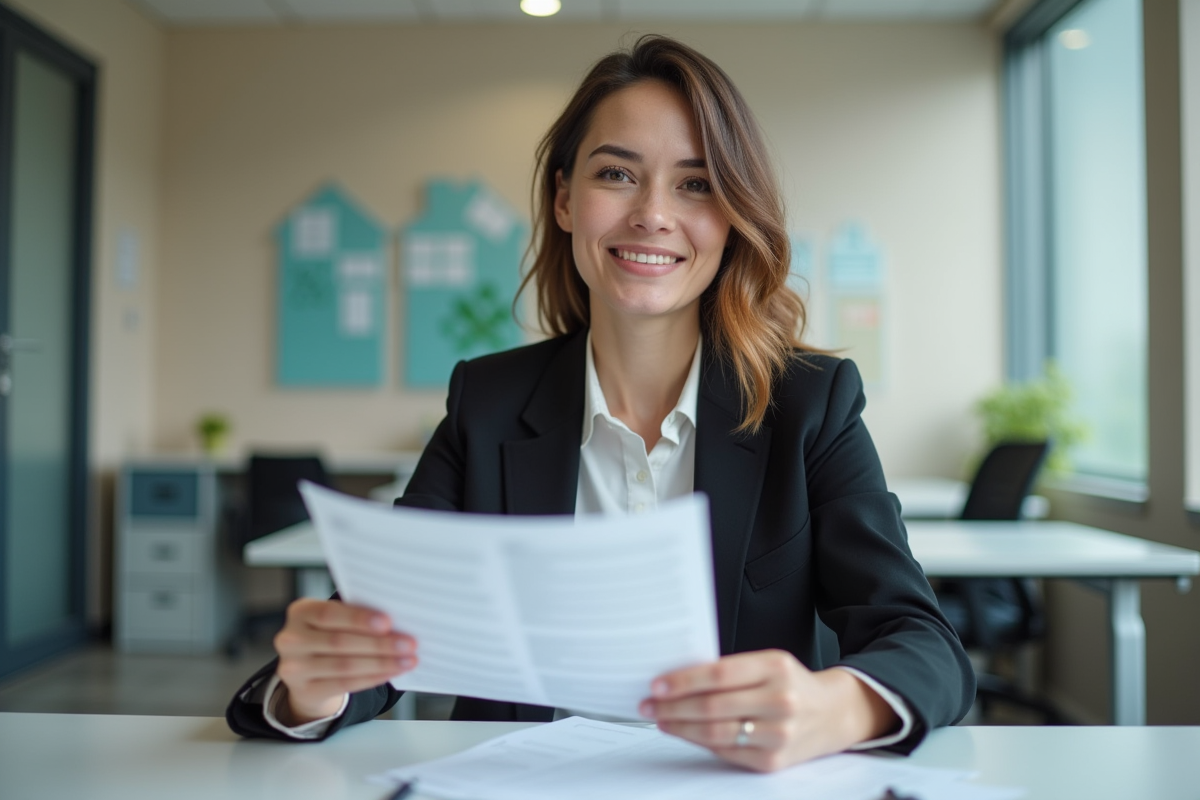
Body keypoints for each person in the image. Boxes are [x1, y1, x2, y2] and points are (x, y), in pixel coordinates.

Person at [227, 34, 974, 772]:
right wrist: (314, 688)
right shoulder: (486, 404)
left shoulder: (809, 404)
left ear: (733, 217)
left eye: (695, 183)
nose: (652, 214)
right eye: (617, 175)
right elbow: (381, 640)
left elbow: (922, 641)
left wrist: (830, 707)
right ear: (564, 200)